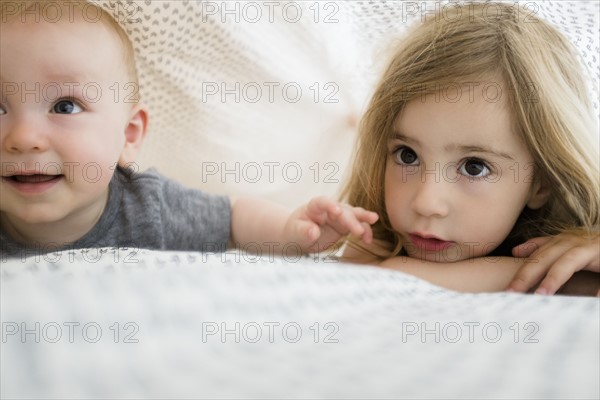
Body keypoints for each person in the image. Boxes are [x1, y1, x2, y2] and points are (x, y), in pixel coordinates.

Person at [0, 0, 378, 260]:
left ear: (128, 136)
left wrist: (291, 231)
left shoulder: (149, 209)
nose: (22, 138)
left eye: (65, 106)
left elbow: (232, 220)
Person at [339, 2, 599, 296]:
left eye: (474, 166)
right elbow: (375, 278)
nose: (426, 202)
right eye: (407, 155)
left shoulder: (585, 251)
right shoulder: (373, 237)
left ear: (541, 184)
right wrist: (535, 272)